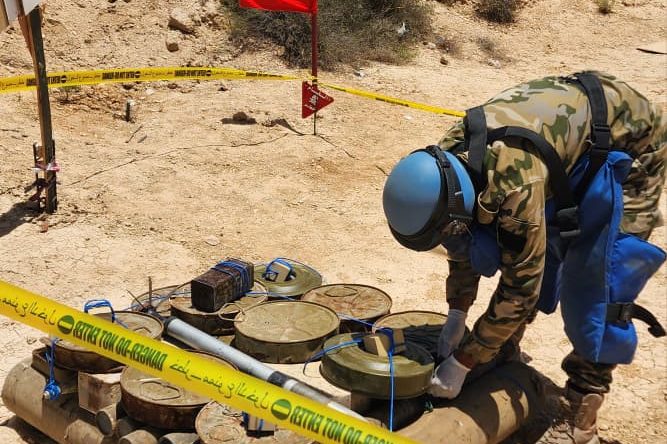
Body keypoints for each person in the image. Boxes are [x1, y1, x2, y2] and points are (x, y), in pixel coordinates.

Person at [381, 71, 666, 444]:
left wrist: (464, 361)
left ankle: (579, 413)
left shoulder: (515, 184)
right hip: (567, 146)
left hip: (634, 148)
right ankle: (500, 348)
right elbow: (461, 238)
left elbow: (521, 287)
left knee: (599, 287)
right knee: (509, 238)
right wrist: (457, 312)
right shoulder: (446, 162)